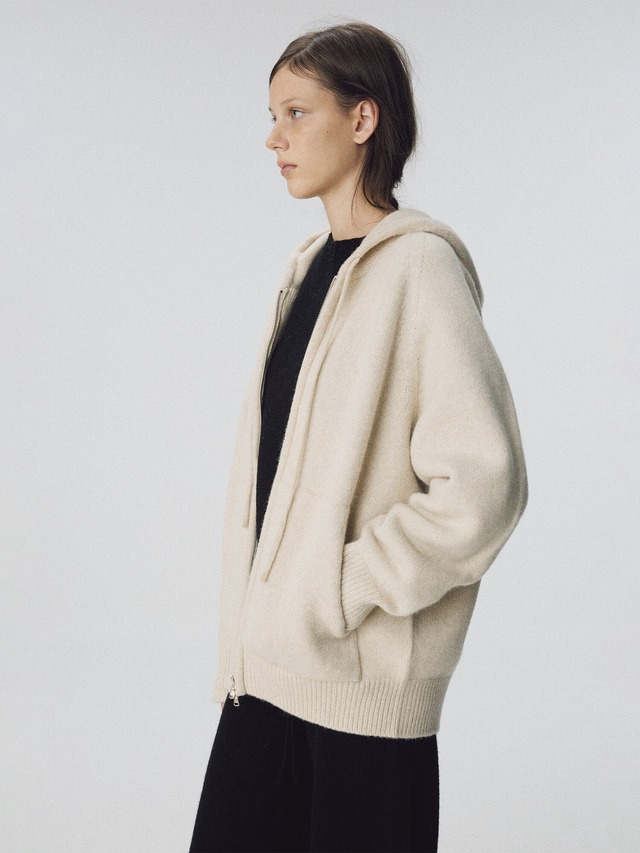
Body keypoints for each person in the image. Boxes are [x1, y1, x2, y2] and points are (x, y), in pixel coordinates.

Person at [190, 20, 527, 853]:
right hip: (262, 682)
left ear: (363, 118)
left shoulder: (420, 271)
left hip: (364, 705)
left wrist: (340, 586)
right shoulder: (307, 269)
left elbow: (483, 487)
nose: (274, 138)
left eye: (297, 112)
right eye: (273, 115)